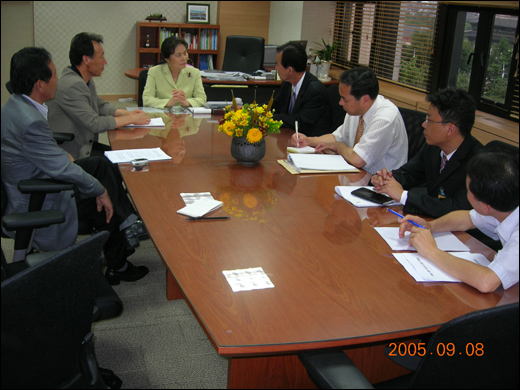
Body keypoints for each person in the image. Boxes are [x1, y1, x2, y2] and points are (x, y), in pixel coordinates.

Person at [1, 47, 148, 285]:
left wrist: (60, 154)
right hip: (37, 197)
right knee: (101, 192)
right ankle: (119, 258)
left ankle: (126, 223)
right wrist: (99, 191)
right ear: (40, 84)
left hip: (35, 178)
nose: (58, 79)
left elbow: (39, 150)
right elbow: (63, 169)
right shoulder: (29, 122)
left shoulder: (17, 105)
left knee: (101, 165)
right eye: (54, 74)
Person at [398, 152, 518, 293]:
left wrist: (431, 251)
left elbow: (487, 281)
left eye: (467, 190)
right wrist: (430, 226)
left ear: (485, 207)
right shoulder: (503, 204)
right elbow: (465, 219)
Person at [371, 88, 484, 217]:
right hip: (430, 220)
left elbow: (457, 208)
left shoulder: (479, 163)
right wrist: (385, 179)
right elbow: (409, 173)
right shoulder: (433, 147)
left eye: (430, 120)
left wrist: (403, 196)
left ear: (450, 129)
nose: (424, 124)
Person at [47, 32, 151, 160]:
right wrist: (131, 119)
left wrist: (125, 113)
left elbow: (99, 104)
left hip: (85, 145)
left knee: (124, 158)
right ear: (86, 59)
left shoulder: (83, 79)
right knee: (120, 163)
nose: (105, 62)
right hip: (72, 153)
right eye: (101, 57)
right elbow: (94, 123)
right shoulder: (72, 85)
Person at [290, 67, 408, 174]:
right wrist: (307, 140)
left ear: (365, 99)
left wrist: (339, 146)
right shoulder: (356, 110)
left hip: (379, 186)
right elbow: (337, 137)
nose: (340, 103)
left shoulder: (385, 118)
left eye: (345, 99)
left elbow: (358, 159)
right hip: (355, 175)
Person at [272, 42, 332, 136]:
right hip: (290, 136)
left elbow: (300, 122)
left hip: (311, 143)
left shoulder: (315, 91)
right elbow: (275, 105)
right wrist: (253, 110)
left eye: (278, 64)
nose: (276, 68)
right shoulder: (287, 83)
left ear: (290, 70)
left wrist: (270, 118)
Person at [143, 37, 207, 109]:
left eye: (185, 53)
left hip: (186, 117)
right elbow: (147, 99)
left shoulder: (194, 72)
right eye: (178, 55)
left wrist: (186, 102)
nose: (184, 58)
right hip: (162, 116)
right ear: (167, 59)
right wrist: (168, 103)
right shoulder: (154, 72)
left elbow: (202, 98)